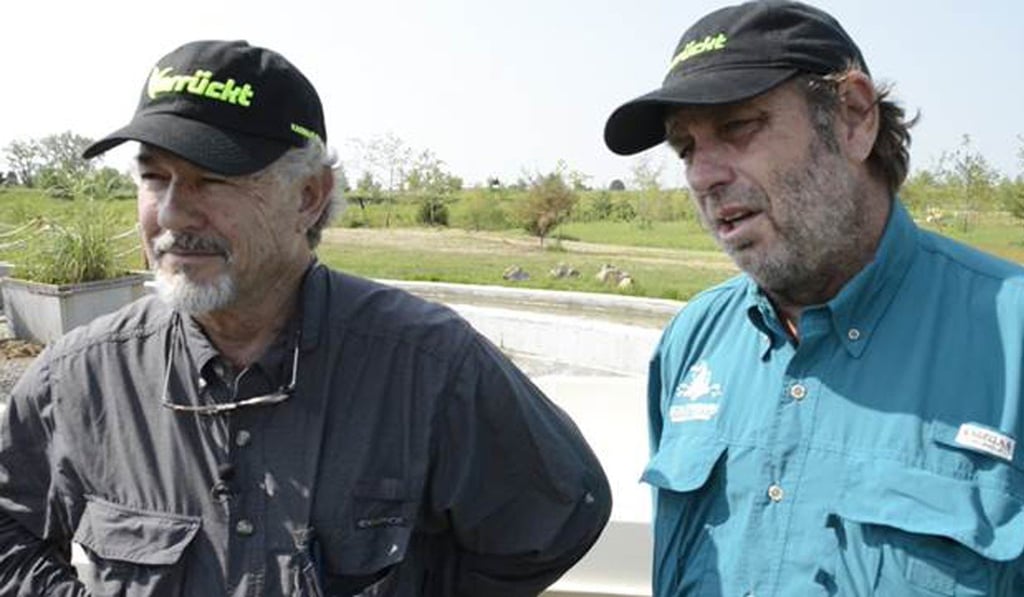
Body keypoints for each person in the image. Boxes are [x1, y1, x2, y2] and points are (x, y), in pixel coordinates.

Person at [0, 39, 611, 596]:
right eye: (153, 177)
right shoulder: (80, 377)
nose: (173, 214)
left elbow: (556, 519)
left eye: (213, 179)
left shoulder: (430, 366)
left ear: (309, 195)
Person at [604, 1, 1024, 595]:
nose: (702, 175)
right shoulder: (693, 342)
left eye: (737, 127)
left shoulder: (1012, 338)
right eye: (685, 148)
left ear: (852, 117)